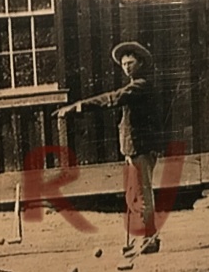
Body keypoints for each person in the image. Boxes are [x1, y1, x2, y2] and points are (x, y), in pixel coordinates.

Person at [56, 41, 162, 260]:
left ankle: (149, 238)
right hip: (131, 148)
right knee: (133, 195)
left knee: (142, 195)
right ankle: (140, 236)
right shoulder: (133, 84)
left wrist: (78, 106)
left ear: (140, 63)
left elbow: (112, 98)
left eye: (131, 62)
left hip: (141, 148)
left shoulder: (140, 85)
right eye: (124, 64)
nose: (127, 67)